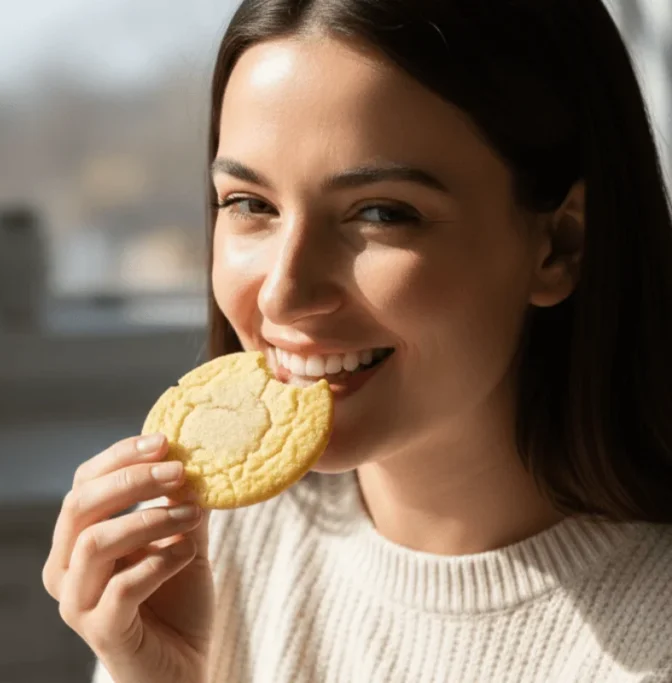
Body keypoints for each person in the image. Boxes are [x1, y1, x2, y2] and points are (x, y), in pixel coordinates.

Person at [41, 0, 672, 681]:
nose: (283, 292)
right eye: (250, 204)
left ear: (560, 244)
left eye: (381, 212)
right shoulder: (210, 554)